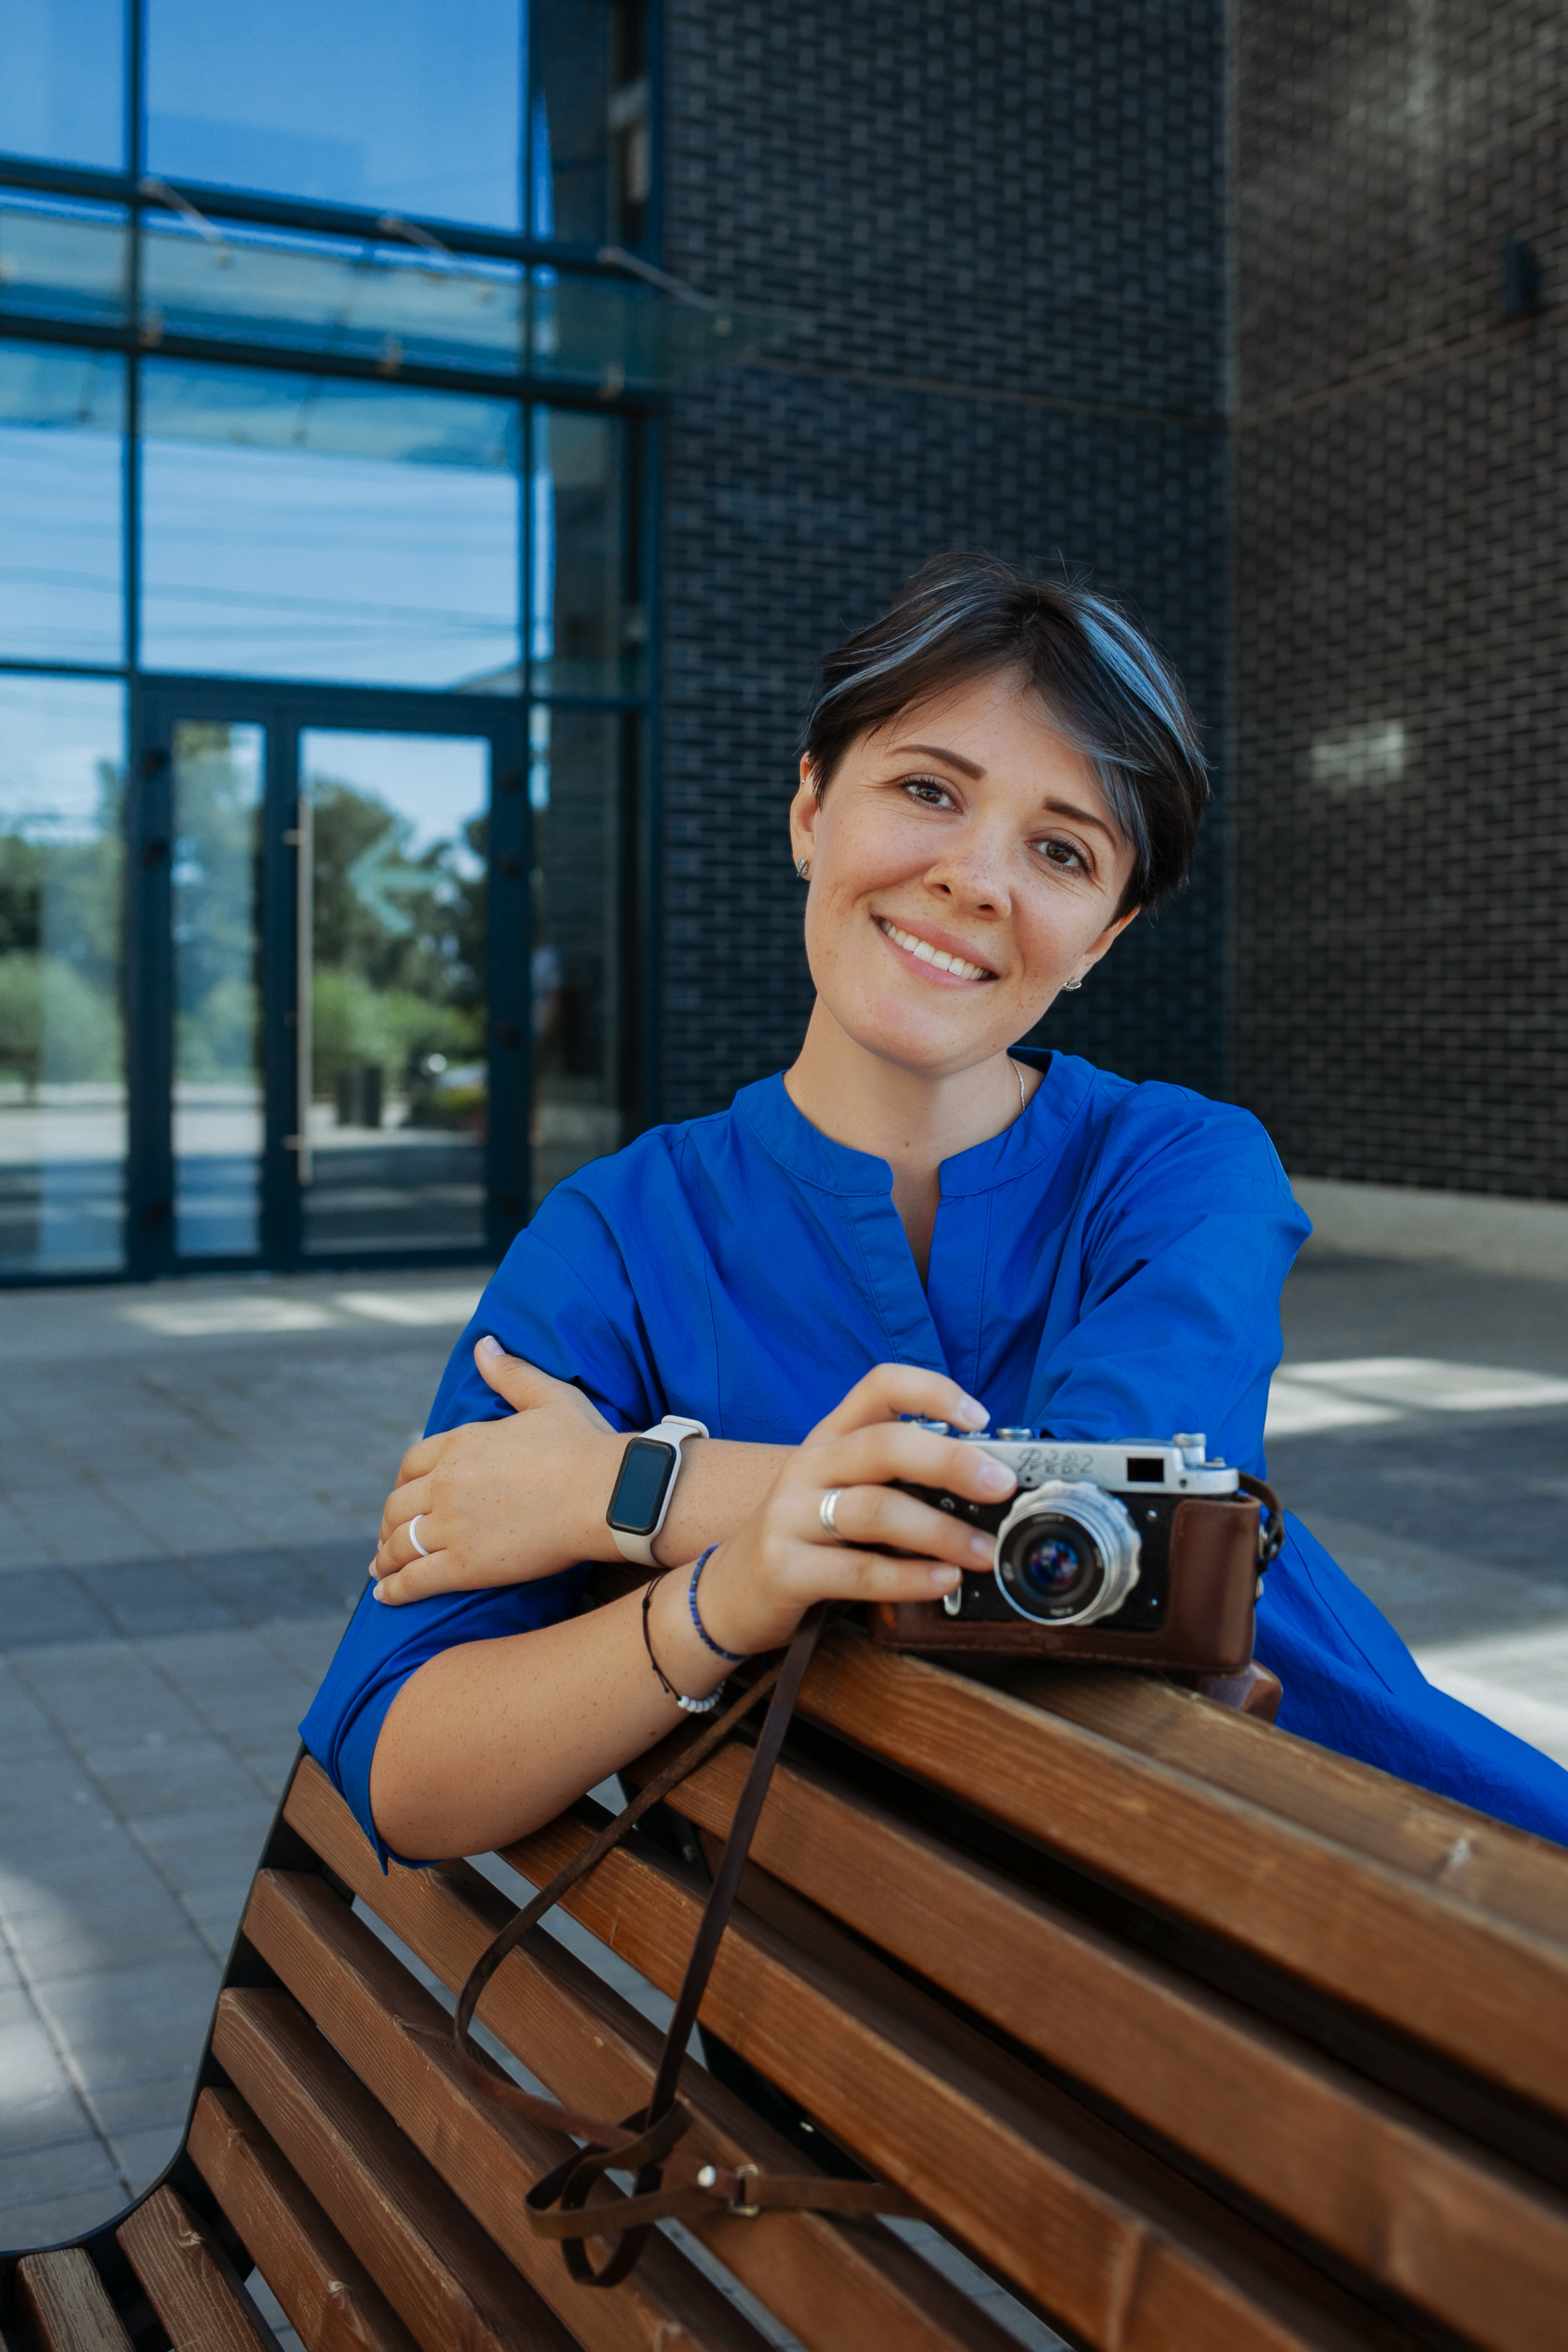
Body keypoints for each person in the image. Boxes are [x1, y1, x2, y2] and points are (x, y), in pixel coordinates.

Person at [301, 554, 1568, 1864]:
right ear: (807, 808)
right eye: (924, 789)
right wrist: (725, 1592)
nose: (973, 878)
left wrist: (628, 1490)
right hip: (914, 1996)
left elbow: (1104, 1566)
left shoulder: (1182, 1169)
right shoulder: (614, 1239)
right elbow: (406, 1771)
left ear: (1099, 939)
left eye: (1060, 851)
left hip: (1371, 1865)